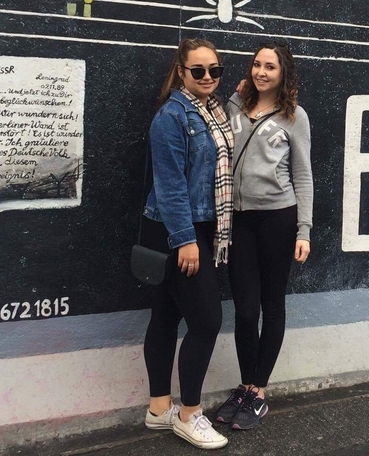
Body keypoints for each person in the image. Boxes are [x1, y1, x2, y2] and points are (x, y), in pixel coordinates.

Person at [140, 38, 234, 450]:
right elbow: (172, 185)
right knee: (206, 322)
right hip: (180, 229)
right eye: (199, 71)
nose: (209, 77)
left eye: (215, 69)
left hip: (200, 228)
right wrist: (185, 240)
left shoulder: (213, 109)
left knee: (164, 317)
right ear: (181, 72)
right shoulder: (172, 117)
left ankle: (159, 408)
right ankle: (189, 414)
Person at [214, 42, 313, 431]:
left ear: (283, 73)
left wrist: (303, 229)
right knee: (244, 310)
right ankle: (244, 384)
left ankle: (259, 392)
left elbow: (303, 175)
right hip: (239, 220)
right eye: (257, 64)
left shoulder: (294, 117)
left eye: (270, 67)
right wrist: (238, 94)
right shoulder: (235, 106)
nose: (261, 72)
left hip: (278, 218)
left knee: (271, 304)